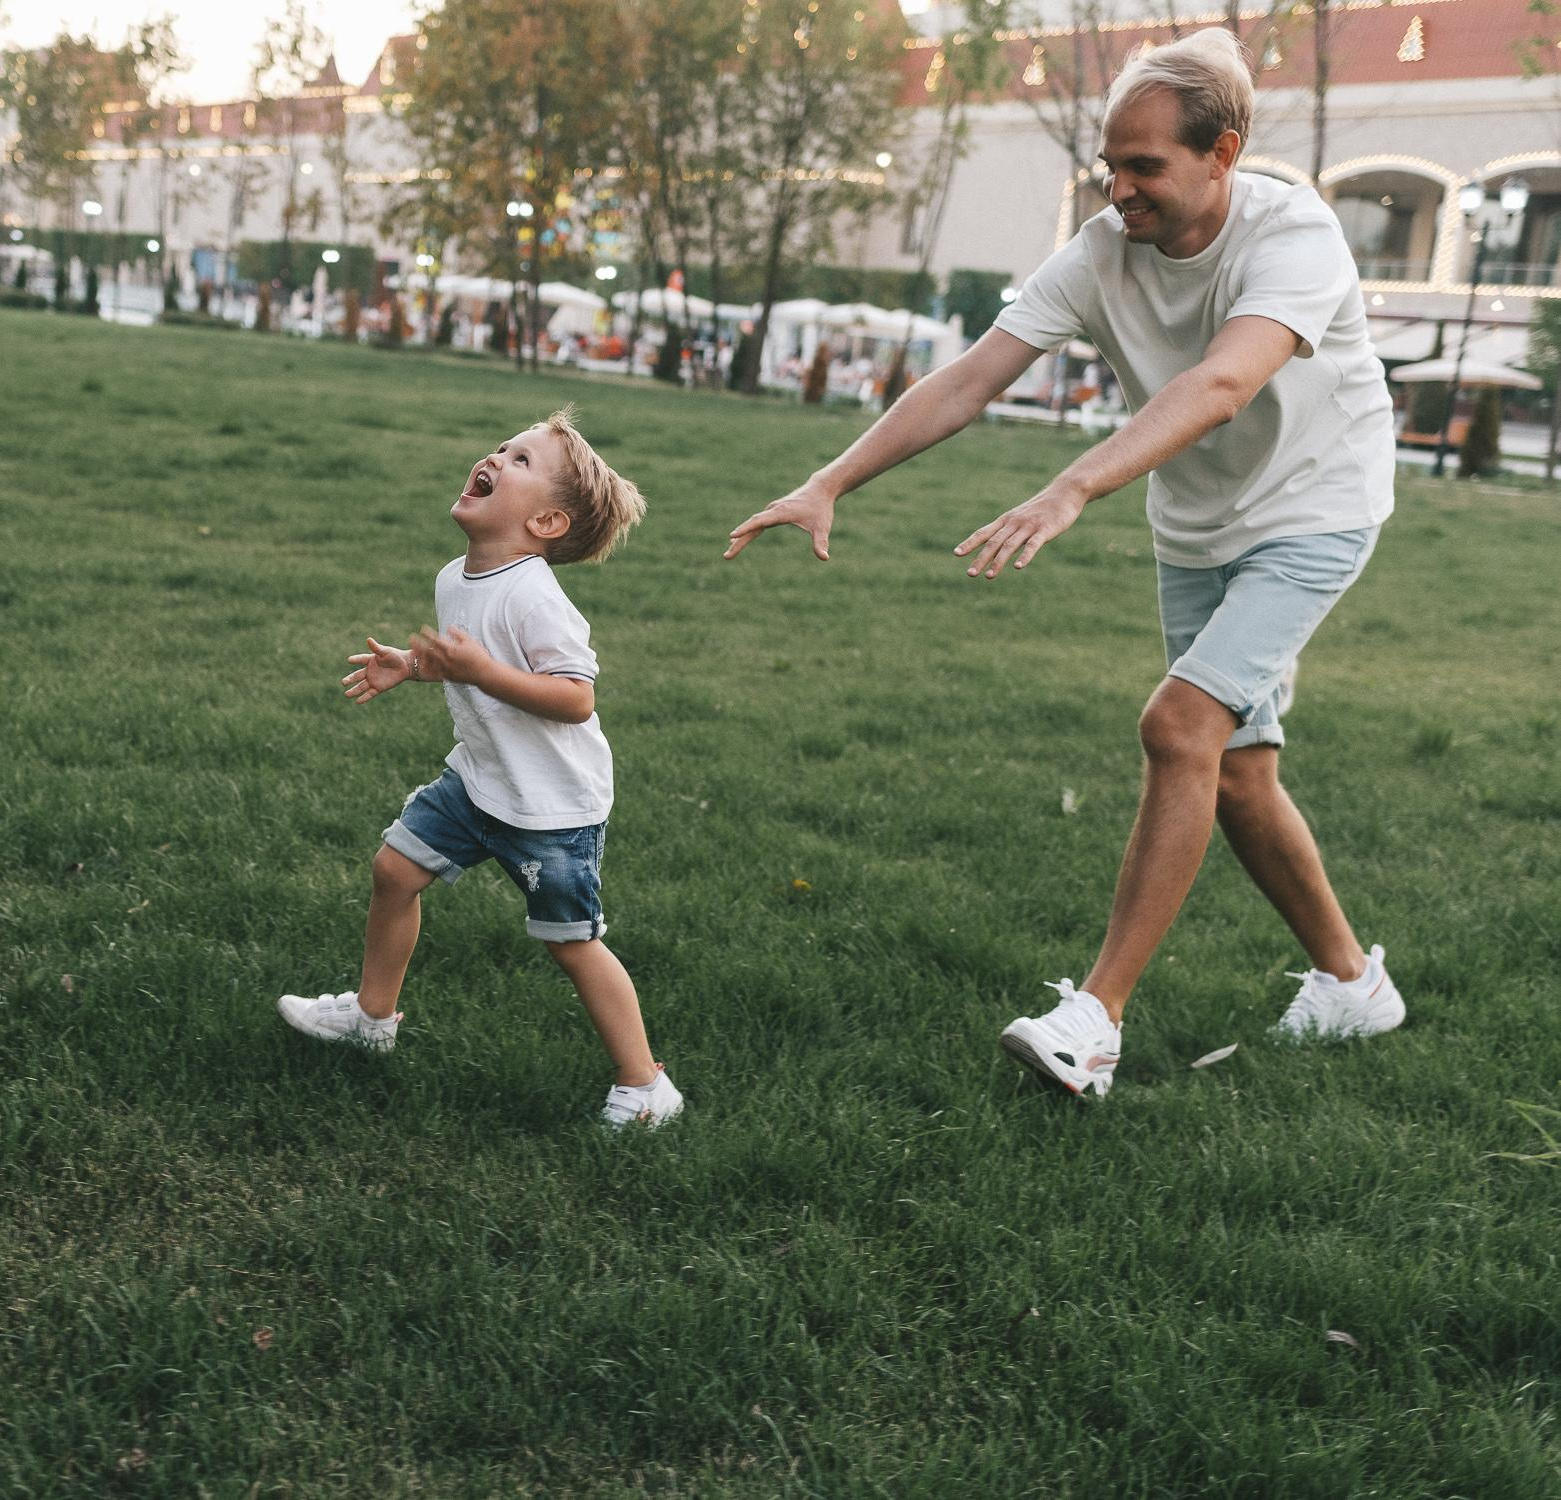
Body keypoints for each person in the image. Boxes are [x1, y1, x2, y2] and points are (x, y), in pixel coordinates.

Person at [722, 29, 1402, 1100]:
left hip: (1316, 511)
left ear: (1222, 152)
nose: (1118, 188)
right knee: (1236, 773)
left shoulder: (1294, 234)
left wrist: (1074, 484)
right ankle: (1353, 982)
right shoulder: (1099, 250)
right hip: (1198, 521)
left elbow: (1225, 382)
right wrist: (830, 482)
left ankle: (1095, 1020)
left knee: (1178, 726)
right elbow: (971, 378)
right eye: (1108, 163)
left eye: (1145, 168)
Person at [278, 407, 682, 1129]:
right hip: (479, 782)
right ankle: (373, 1019)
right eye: (502, 447)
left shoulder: (535, 596)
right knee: (394, 871)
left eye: (521, 460)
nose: (496, 457)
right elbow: (470, 668)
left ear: (548, 524)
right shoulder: (455, 577)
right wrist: (417, 666)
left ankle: (645, 1081)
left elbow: (575, 698)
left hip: (552, 810)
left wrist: (478, 669)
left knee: (574, 945)